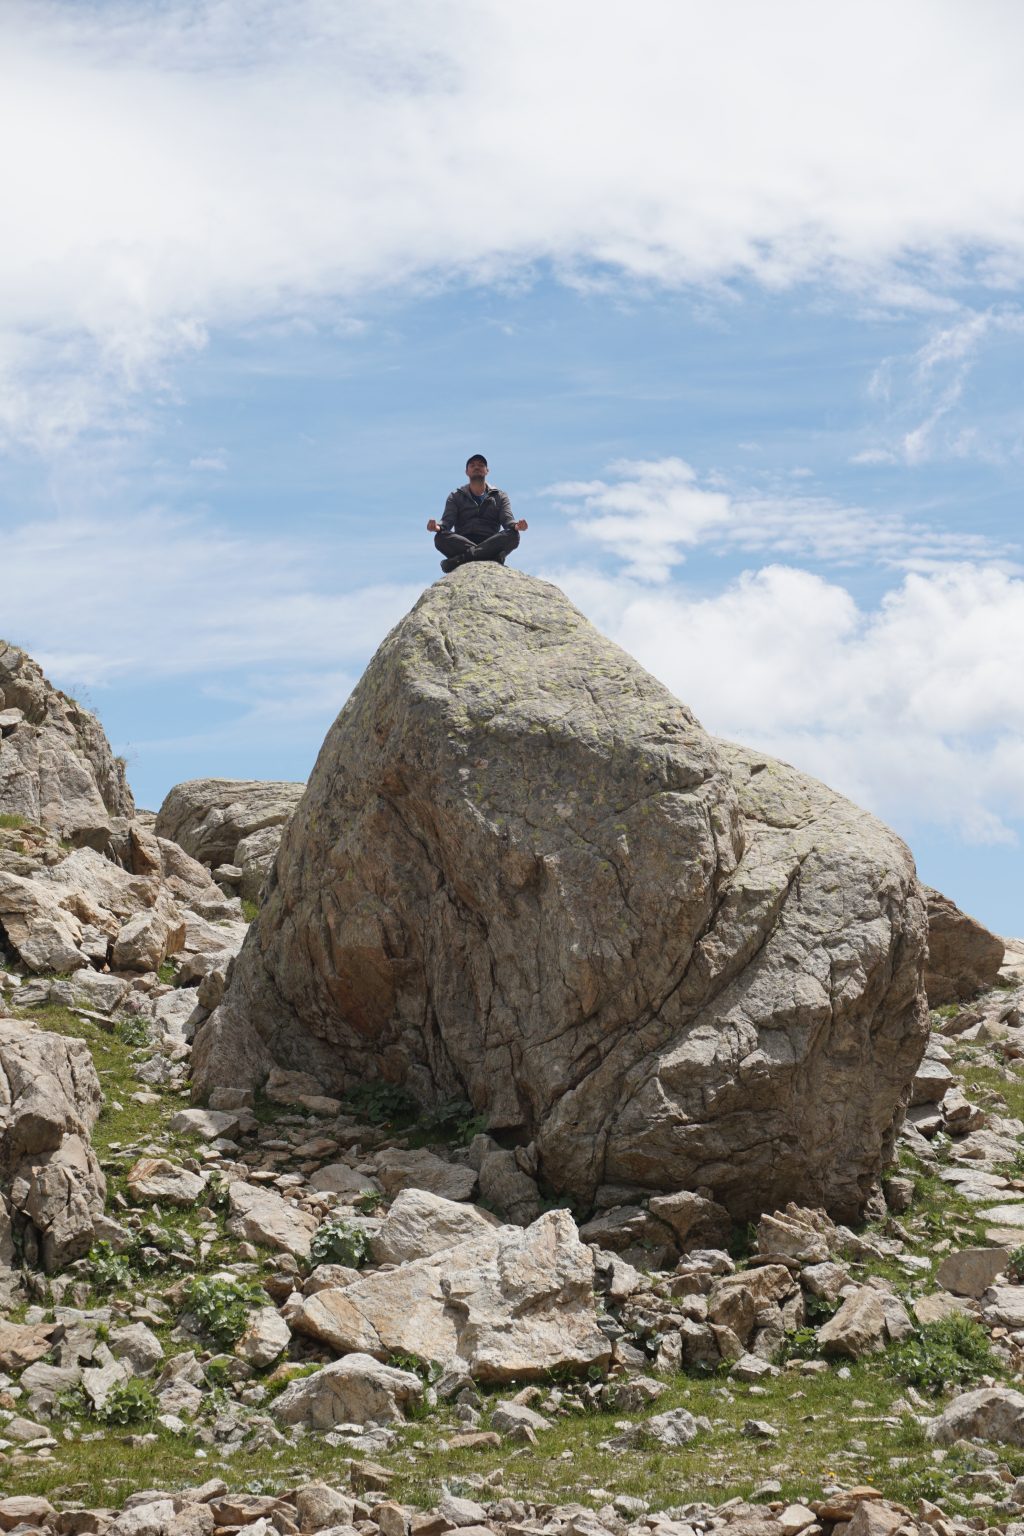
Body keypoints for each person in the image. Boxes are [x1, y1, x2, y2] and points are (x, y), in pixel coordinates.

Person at [427, 455, 529, 572]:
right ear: (466, 471)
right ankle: (490, 556)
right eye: (472, 465)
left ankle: (461, 559)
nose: (477, 467)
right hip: (462, 542)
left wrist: (517, 526)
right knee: (440, 538)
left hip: (491, 541)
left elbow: (508, 519)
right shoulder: (456, 496)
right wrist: (436, 527)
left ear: (487, 471)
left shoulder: (500, 496)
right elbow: (447, 521)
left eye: (481, 465)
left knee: (513, 535)